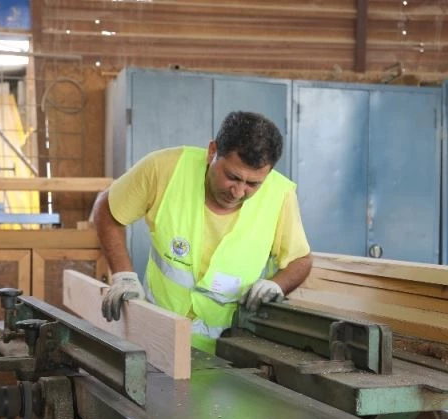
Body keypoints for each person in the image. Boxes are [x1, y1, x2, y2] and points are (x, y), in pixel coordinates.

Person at [91, 111, 312, 354]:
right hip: (157, 337)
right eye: (232, 177)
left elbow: (300, 260)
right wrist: (124, 276)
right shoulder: (166, 169)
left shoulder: (280, 195)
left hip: (228, 349)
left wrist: (277, 285)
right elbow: (107, 209)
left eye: (253, 184)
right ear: (212, 151)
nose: (238, 192)